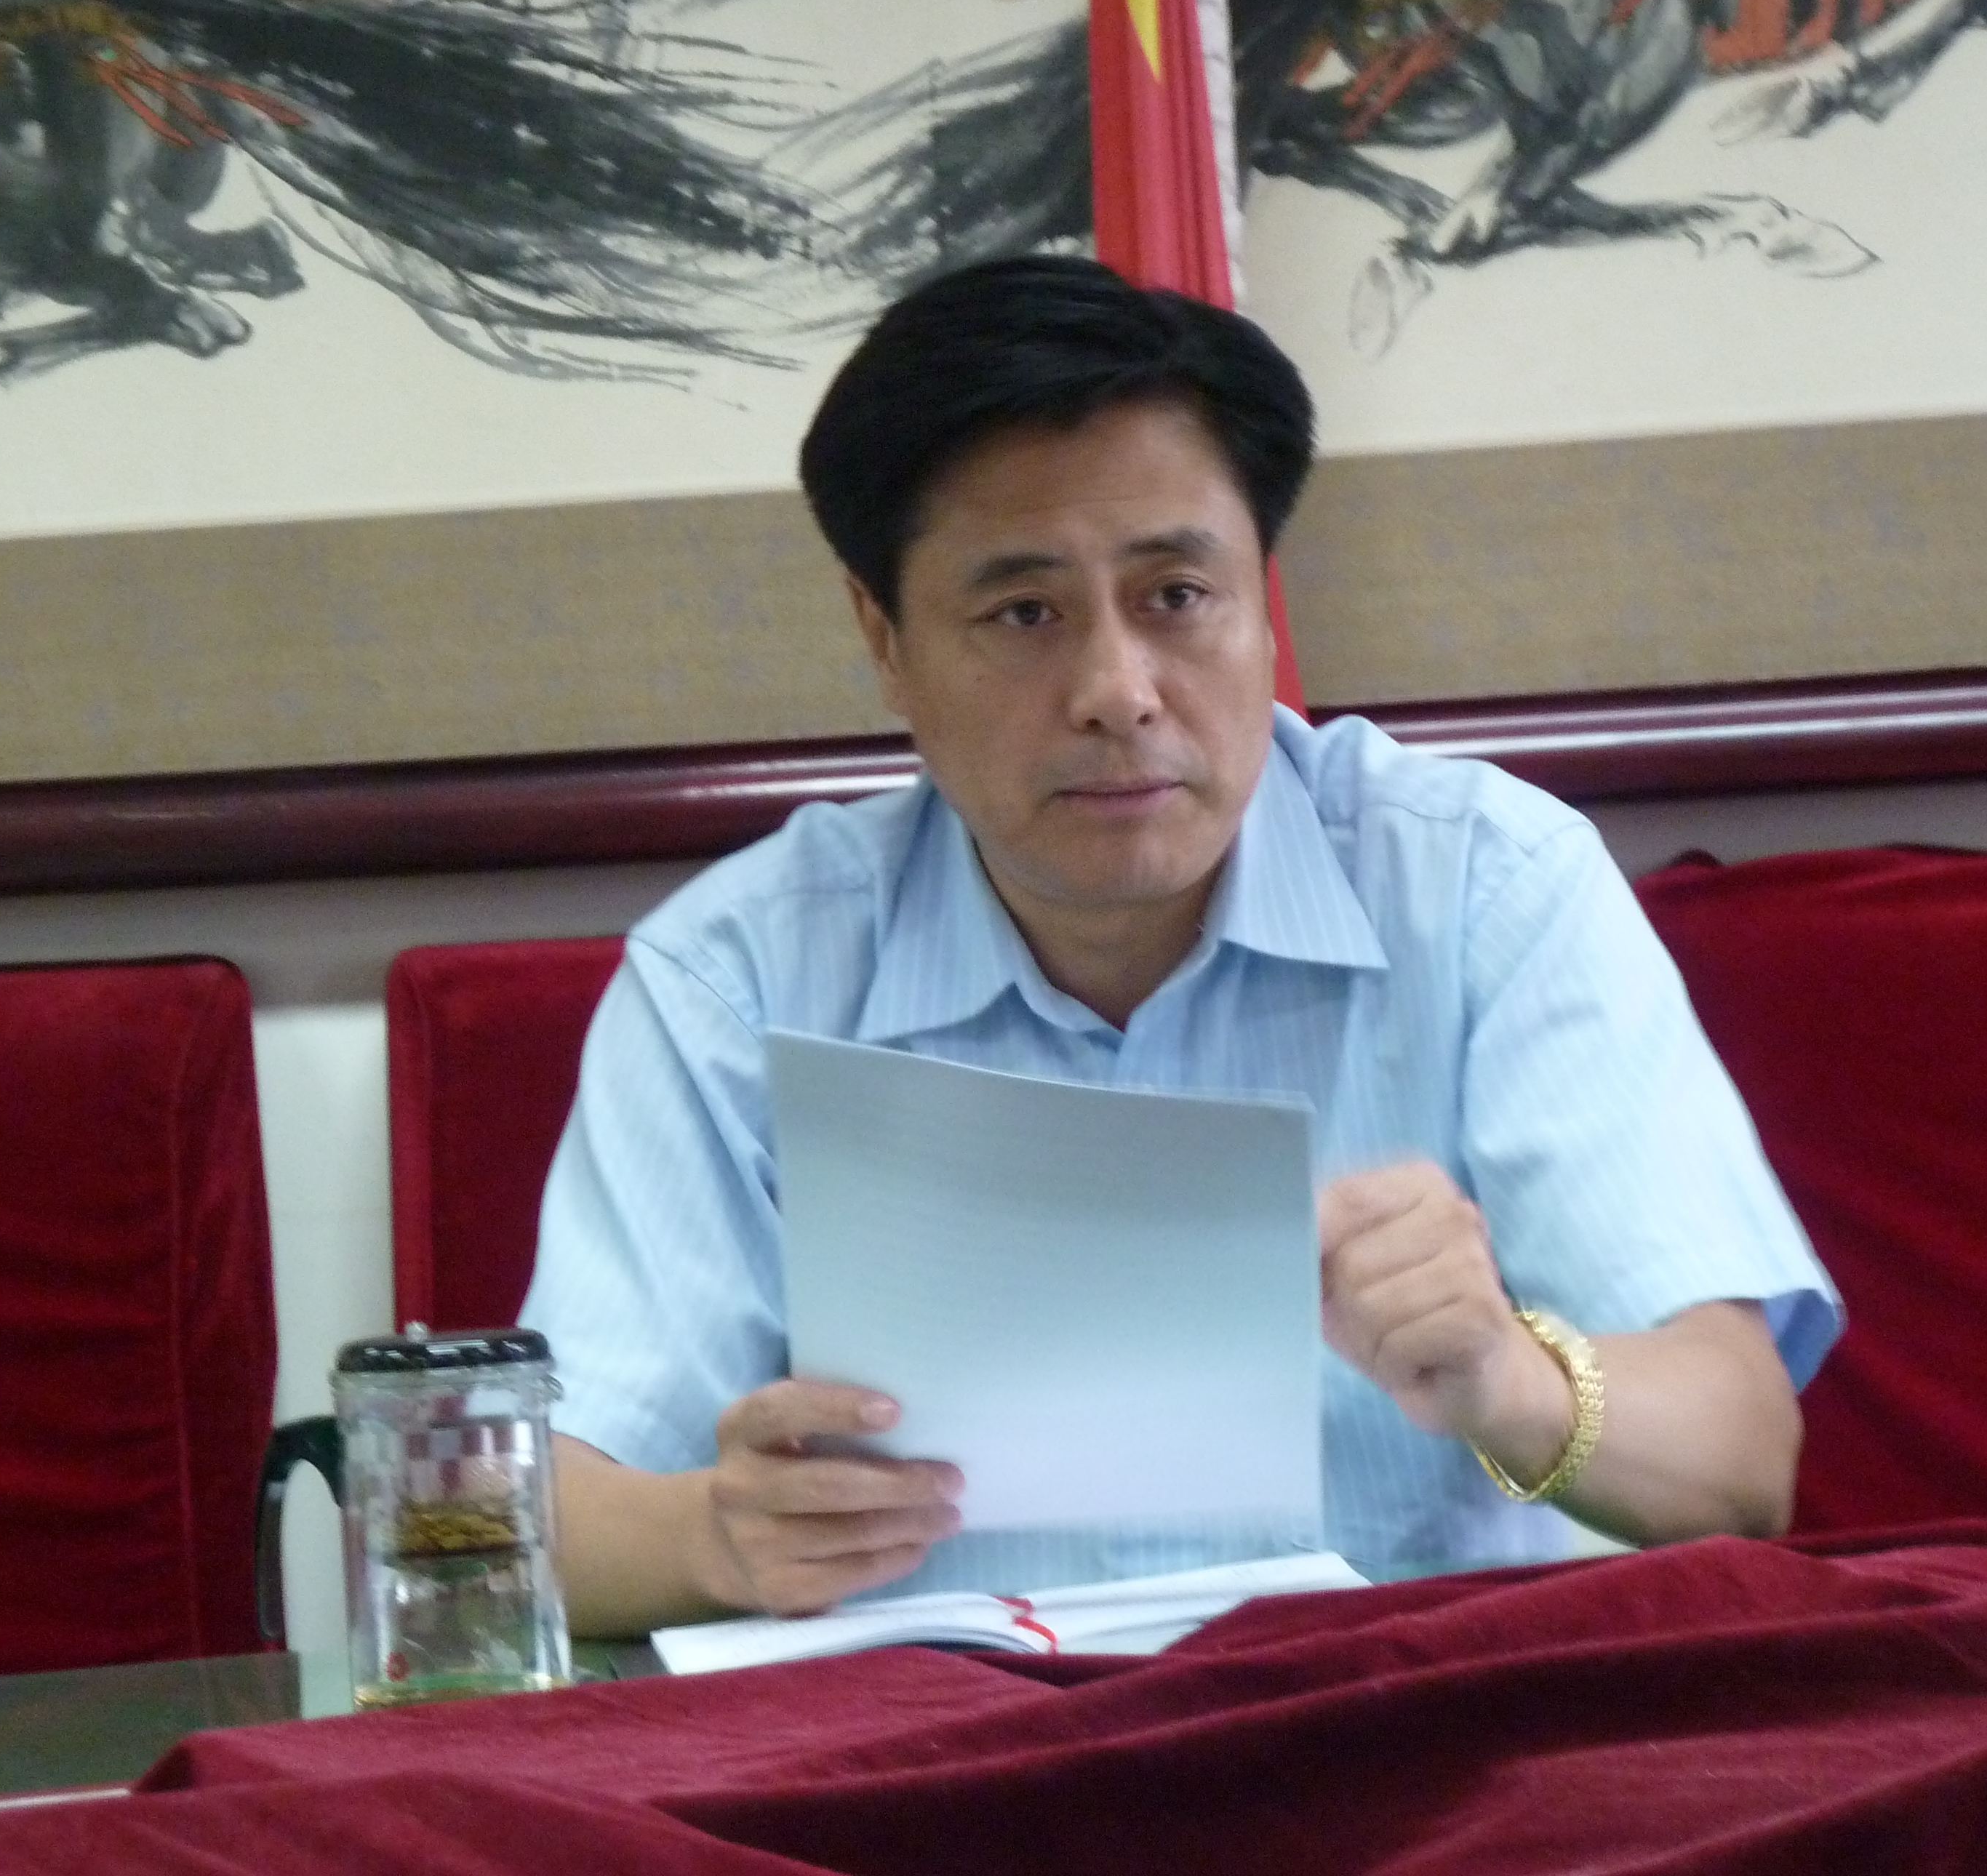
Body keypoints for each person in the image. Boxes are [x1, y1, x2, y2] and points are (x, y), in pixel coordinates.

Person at [522, 255, 1840, 1636]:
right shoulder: (736, 974)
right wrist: (712, 1536)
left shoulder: (1482, 885)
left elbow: (1739, 1457)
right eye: (1024, 614)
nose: (1118, 692)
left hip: (1394, 1727)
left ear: (1262, 601)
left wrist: (1507, 1375)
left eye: (1176, 596)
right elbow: (541, 1515)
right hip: (945, 1738)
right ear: (886, 638)